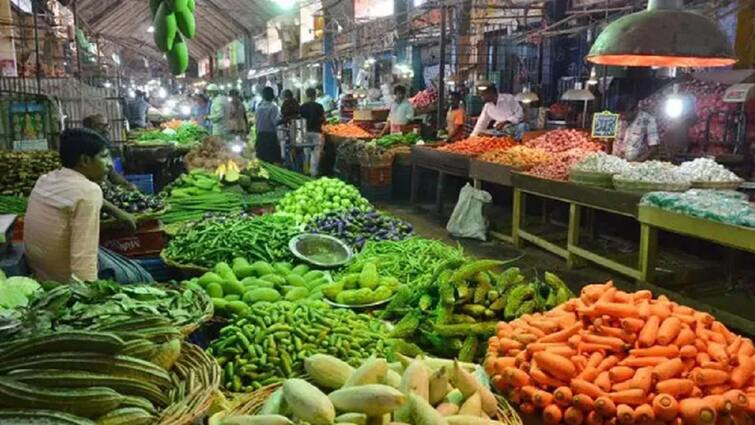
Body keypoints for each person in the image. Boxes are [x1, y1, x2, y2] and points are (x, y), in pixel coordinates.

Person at [23, 128, 152, 284]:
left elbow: (80, 197)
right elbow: (83, 258)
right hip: (65, 280)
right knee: (142, 277)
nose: (110, 165)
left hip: (42, 272)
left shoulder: (46, 179)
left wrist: (117, 211)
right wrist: (88, 299)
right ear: (85, 161)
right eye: (104, 157)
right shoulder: (88, 192)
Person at [82, 114, 138, 232]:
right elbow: (88, 193)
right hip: (95, 207)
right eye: (100, 126)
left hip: (107, 198)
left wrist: (127, 185)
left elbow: (112, 174)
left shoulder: (103, 147)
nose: (106, 129)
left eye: (107, 125)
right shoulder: (83, 152)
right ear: (88, 128)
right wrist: (119, 213)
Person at [612, 95, 660, 161]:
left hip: (635, 163)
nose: (622, 117)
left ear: (635, 110)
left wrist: (638, 162)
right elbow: (610, 139)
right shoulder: (618, 118)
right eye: (620, 114)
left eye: (625, 114)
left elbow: (654, 148)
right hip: (615, 162)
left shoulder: (648, 120)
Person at [300, 87, 326, 176]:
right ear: (315, 96)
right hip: (316, 132)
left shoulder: (302, 107)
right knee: (316, 153)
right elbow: (323, 119)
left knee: (306, 152)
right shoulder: (319, 106)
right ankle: (313, 173)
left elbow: (300, 120)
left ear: (306, 95)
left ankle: (305, 171)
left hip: (305, 132)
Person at [255, 86, 282, 163]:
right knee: (271, 160)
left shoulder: (258, 108)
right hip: (270, 136)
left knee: (262, 160)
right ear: (272, 96)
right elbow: (275, 122)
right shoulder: (273, 108)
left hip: (260, 136)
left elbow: (257, 123)